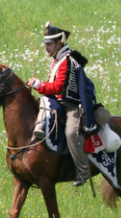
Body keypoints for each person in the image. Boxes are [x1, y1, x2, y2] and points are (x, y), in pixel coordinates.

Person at [27, 22, 100, 187]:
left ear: (59, 44)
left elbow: (58, 86)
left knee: (71, 133)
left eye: (49, 44)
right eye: (45, 44)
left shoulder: (66, 61)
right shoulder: (57, 59)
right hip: (58, 102)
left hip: (71, 106)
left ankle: (83, 171)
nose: (46, 47)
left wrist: (39, 85)